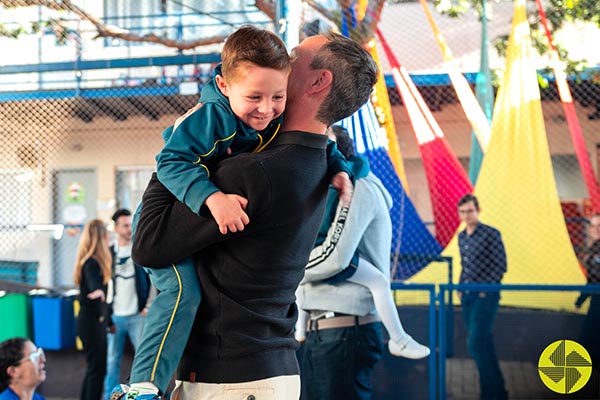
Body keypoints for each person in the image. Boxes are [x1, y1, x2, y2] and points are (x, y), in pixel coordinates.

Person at [129, 31, 378, 400]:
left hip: (231, 379)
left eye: (293, 56)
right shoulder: (317, 163)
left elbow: (148, 245)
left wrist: (179, 148)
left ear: (318, 81)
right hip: (268, 371)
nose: (283, 61)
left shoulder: (250, 173)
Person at [296, 125, 428, 400]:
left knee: (377, 282)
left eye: (326, 146)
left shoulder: (357, 188)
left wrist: (290, 271)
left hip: (342, 330)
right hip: (325, 329)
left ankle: (400, 338)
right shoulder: (321, 190)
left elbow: (336, 258)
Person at [457, 194, 508, 400]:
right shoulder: (462, 237)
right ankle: (498, 392)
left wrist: (485, 289)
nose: (466, 215)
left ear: (478, 210)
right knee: (484, 344)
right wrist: (460, 286)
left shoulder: (491, 234)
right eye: (462, 212)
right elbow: (465, 265)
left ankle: (489, 393)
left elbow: (500, 265)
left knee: (476, 343)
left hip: (485, 297)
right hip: (467, 297)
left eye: (470, 211)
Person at [103, 209, 156, 400]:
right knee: (111, 362)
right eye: (124, 225)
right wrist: (107, 316)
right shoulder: (109, 253)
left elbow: (154, 279)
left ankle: (139, 396)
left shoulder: (139, 249)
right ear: (116, 228)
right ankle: (108, 396)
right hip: (115, 317)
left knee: (143, 360)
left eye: (130, 224)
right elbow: (104, 286)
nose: (129, 229)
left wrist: (147, 306)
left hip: (137, 315)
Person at [74, 219, 112, 400]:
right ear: (102, 237)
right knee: (97, 370)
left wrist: (108, 321)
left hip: (91, 320)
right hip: (91, 322)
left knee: (94, 370)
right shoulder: (91, 263)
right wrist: (97, 291)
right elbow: (94, 283)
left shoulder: (89, 261)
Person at [575, 213, 600, 367]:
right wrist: (581, 299)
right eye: (593, 225)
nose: (596, 229)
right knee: (588, 336)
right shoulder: (594, 247)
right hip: (596, 298)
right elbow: (592, 278)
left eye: (599, 226)